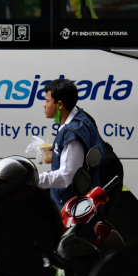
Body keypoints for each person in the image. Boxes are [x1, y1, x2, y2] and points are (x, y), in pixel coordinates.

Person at [37, 78, 106, 207]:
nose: (44, 105)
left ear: (60, 105)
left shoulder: (73, 133)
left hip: (72, 209)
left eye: (47, 101)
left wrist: (35, 180)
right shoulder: (79, 117)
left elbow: (66, 177)